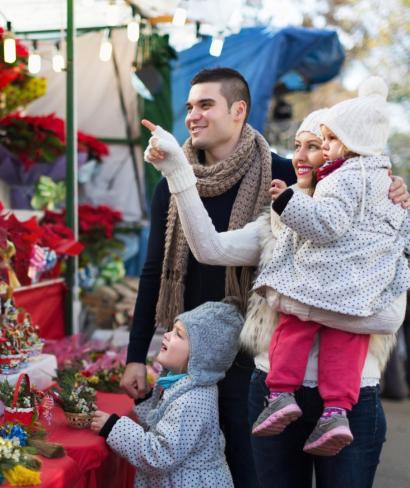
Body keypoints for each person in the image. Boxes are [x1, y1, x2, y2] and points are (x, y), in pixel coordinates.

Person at [142, 103, 408, 485]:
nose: (299, 156)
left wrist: (287, 300)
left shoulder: (380, 222)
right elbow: (210, 249)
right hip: (273, 394)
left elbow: (386, 317)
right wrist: (177, 172)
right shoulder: (281, 218)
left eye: (316, 144)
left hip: (352, 402)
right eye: (298, 145)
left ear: (346, 152)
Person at [123, 67, 297, 487]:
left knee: (250, 467)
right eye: (189, 107)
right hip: (191, 357)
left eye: (205, 105)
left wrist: (393, 186)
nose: (192, 116)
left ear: (238, 110)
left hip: (252, 354)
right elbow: (154, 270)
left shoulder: (283, 174)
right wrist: (134, 354)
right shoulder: (172, 178)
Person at [251, 77, 410, 455]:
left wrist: (288, 203)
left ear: (350, 146)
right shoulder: (377, 182)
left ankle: (281, 393)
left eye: (324, 142)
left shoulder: (342, 182)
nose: (312, 152)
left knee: (295, 324)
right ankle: (336, 412)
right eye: (300, 146)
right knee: (347, 341)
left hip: (334, 294)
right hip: (362, 295)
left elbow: (327, 223)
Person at [92, 301, 243, 488]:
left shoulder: (193, 400)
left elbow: (160, 455)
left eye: (179, 334)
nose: (167, 335)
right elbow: (169, 423)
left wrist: (113, 427)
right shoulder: (185, 384)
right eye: (172, 329)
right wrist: (146, 400)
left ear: (201, 355)